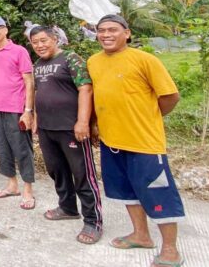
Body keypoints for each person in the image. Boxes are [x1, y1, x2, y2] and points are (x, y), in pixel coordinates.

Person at [88, 14, 183, 266]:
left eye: (112, 30)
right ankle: (141, 235)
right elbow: (99, 96)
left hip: (144, 143)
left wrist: (150, 117)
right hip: (112, 142)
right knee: (126, 192)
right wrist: (96, 124)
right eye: (101, 30)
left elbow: (170, 96)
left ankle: (170, 249)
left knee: (159, 194)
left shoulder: (145, 60)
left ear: (127, 33)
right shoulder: (94, 62)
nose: (106, 35)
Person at [29, 26, 103, 244]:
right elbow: (37, 92)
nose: (40, 45)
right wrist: (35, 117)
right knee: (56, 170)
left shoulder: (71, 58)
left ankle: (93, 221)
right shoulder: (38, 64)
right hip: (46, 129)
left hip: (71, 128)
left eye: (44, 40)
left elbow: (86, 89)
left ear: (55, 39)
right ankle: (68, 207)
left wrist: (82, 121)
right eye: (35, 42)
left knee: (82, 174)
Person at [0, 17, 36, 209]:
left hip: (16, 109)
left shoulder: (19, 51)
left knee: (22, 150)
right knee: (2, 148)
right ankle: (12, 185)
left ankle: (27, 190)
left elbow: (29, 82)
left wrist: (28, 111)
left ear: (6, 30)